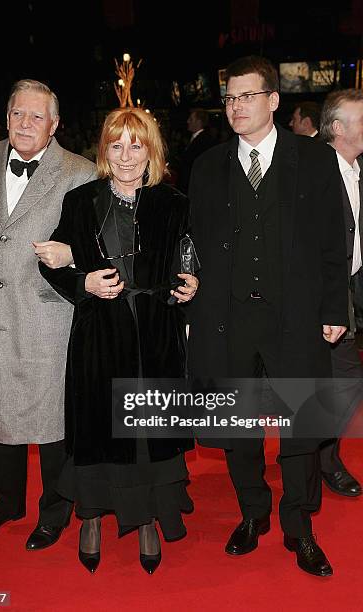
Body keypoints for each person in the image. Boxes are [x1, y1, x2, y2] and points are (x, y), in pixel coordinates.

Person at [188, 56, 348, 577]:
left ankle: (299, 528)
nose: (235, 106)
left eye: (247, 96)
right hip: (229, 320)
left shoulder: (315, 160)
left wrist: (333, 308)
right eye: (230, 98)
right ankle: (252, 514)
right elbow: (196, 244)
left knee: (301, 428)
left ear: (273, 101)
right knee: (238, 429)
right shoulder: (208, 166)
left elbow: (334, 241)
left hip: (296, 320)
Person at [39, 107, 198, 574]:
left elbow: (188, 260)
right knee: (97, 431)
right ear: (103, 149)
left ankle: (146, 518)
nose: (126, 155)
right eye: (116, 144)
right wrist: (83, 282)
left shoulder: (172, 202)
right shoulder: (81, 200)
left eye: (136, 144)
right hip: (99, 339)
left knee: (148, 431)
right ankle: (90, 518)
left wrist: (191, 282)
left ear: (151, 149)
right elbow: (51, 262)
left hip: (155, 336)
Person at [0, 79, 96, 550]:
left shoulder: (81, 172)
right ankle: (7, 502)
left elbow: (97, 249)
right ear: (6, 116)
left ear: (55, 125)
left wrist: (70, 254)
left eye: (37, 116)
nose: (26, 124)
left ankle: (54, 512)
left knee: (53, 424)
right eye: (18, 114)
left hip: (49, 319)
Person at [318, 88, 363, 496]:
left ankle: (318, 456)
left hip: (352, 291)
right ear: (337, 128)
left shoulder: (356, 169)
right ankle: (324, 461)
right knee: (342, 381)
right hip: (324, 299)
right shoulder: (316, 174)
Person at [176, 108, 217, 194]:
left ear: (198, 122)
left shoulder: (205, 141)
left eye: (191, 119)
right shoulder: (194, 138)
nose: (187, 121)